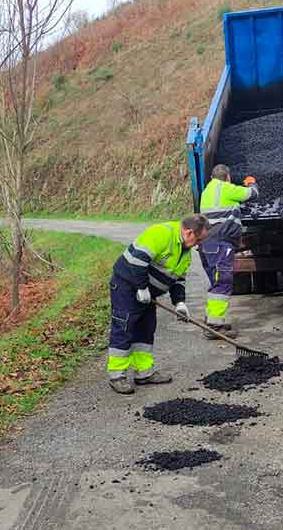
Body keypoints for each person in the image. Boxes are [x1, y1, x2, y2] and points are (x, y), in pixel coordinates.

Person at [107, 215, 210, 394]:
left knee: (146, 329)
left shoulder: (185, 252)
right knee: (124, 327)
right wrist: (141, 287)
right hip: (127, 286)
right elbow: (137, 260)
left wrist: (179, 303)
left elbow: (178, 279)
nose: (198, 245)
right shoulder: (161, 233)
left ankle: (144, 373)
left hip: (147, 294)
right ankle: (117, 376)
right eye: (198, 240)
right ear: (189, 232)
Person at [197, 164, 258, 338]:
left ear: (211, 178)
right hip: (220, 243)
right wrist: (251, 182)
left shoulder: (207, 191)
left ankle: (212, 320)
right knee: (222, 281)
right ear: (228, 177)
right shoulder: (227, 188)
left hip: (207, 244)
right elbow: (252, 195)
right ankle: (215, 327)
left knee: (216, 282)